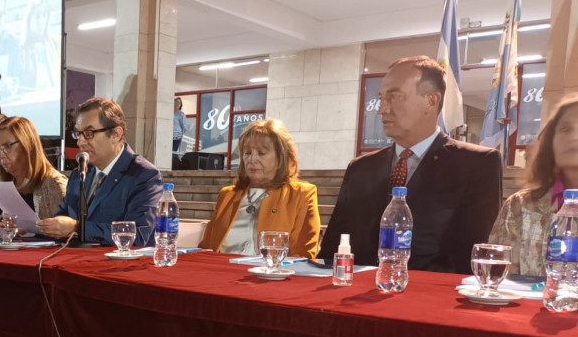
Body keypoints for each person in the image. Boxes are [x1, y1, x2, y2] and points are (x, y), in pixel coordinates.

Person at [318, 55, 502, 273]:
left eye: (394, 97)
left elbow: (471, 256)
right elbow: (332, 249)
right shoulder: (361, 168)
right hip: (353, 294)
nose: (381, 109)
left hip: (429, 298)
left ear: (431, 101)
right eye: (381, 98)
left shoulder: (477, 164)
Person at [38, 97, 163, 246]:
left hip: (119, 266)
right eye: (78, 134)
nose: (80, 142)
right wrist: (40, 226)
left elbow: (138, 235)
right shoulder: (79, 174)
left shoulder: (144, 175)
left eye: (89, 133)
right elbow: (62, 220)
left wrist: (77, 227)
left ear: (116, 134)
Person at [199, 118, 320, 258]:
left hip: (270, 276)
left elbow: (303, 255)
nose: (252, 159)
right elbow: (206, 249)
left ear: (282, 157)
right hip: (221, 273)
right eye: (247, 153)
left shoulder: (302, 194)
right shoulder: (227, 195)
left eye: (262, 153)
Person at [489, 94, 578, 276]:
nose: (574, 136)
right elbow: (497, 276)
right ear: (550, 142)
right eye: (566, 128)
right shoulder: (520, 205)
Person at [0, 116, 67, 229]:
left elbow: (66, 233)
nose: (1, 155)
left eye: (7, 146)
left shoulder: (53, 183)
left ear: (27, 146)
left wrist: (23, 230)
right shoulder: (3, 183)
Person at [20, 0, 61, 92]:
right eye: (37, 16)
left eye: (44, 16)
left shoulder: (57, 42)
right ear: (29, 18)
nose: (41, 21)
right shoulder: (21, 48)